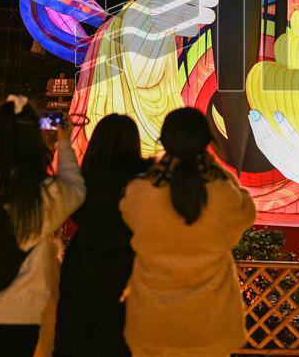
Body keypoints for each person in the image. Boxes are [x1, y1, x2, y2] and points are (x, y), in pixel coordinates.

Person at [0, 96, 86, 357]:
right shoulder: (39, 191)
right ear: (34, 136)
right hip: (16, 314)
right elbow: (76, 191)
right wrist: (64, 142)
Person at [120, 107, 256, 357]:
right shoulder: (223, 193)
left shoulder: (140, 192)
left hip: (152, 324)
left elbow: (128, 215)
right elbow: (246, 212)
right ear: (207, 142)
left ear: (164, 141)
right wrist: (217, 172)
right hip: (210, 326)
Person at [54, 114, 150, 357]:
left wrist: (64, 142)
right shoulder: (144, 181)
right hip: (129, 263)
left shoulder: (86, 183)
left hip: (84, 262)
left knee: (80, 332)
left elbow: (67, 184)